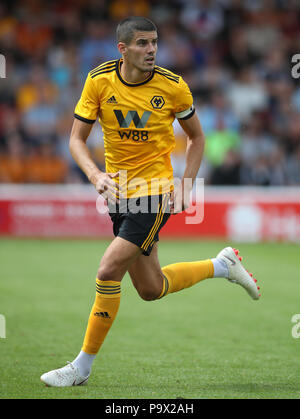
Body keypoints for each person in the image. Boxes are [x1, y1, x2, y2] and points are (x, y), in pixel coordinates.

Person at [40, 17, 260, 387]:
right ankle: (221, 265)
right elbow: (76, 140)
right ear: (122, 49)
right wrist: (96, 176)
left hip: (154, 192)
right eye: (142, 43)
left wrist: (186, 184)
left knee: (108, 269)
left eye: (154, 42)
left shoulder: (173, 87)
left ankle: (81, 367)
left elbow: (197, 138)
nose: (152, 49)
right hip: (118, 192)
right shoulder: (99, 80)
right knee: (150, 288)